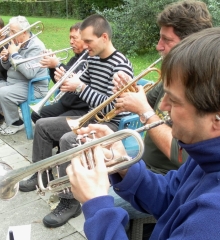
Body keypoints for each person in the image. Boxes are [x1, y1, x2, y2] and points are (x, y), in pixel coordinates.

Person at [67, 27, 220, 240]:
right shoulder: (206, 156)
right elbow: (169, 198)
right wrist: (124, 165)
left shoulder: (212, 218)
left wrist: (98, 207)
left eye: (174, 101)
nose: (163, 106)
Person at [19, 14, 133, 228]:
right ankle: (40, 175)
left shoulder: (121, 66)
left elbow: (111, 107)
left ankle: (69, 201)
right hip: (87, 117)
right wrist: (67, 79)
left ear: (104, 37)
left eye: (88, 41)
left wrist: (79, 86)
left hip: (107, 124)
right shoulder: (92, 59)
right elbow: (83, 91)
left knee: (69, 139)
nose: (85, 46)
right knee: (43, 126)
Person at [0, 16, 49, 135]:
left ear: (24, 32)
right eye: (10, 31)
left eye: (13, 31)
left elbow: (30, 73)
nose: (10, 34)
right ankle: (9, 119)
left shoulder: (36, 46)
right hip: (13, 82)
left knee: (3, 92)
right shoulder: (16, 42)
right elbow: (6, 68)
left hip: (32, 85)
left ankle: (15, 123)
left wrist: (14, 54)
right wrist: (5, 59)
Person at [31, 22, 89, 124]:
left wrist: (57, 64)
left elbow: (75, 76)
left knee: (51, 124)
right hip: (67, 103)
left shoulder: (88, 59)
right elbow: (59, 83)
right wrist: (52, 67)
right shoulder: (74, 58)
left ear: (85, 40)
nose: (71, 42)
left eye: (74, 38)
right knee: (36, 115)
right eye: (70, 38)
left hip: (81, 107)